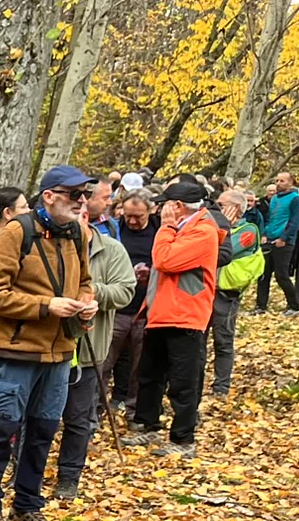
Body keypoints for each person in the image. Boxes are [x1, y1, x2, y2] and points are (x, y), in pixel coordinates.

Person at [0, 166, 96, 521]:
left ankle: (27, 506)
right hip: (16, 353)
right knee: (2, 430)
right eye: (74, 195)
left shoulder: (78, 233)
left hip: (59, 354)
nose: (81, 202)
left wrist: (86, 303)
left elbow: (85, 282)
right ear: (49, 196)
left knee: (42, 432)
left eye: (84, 195)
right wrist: (46, 306)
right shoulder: (17, 232)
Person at [126, 175, 221, 456]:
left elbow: (166, 260)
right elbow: (168, 267)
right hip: (162, 312)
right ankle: (147, 425)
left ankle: (183, 439)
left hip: (185, 316)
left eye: (166, 205)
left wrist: (165, 228)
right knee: (150, 374)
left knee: (183, 380)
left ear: (178, 206)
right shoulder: (184, 229)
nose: (161, 210)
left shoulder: (203, 231)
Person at [53, 215, 138, 500]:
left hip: (89, 347)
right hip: (47, 346)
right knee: (38, 416)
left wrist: (94, 294)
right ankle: (25, 471)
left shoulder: (111, 249)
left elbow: (126, 289)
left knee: (78, 418)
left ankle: (69, 478)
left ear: (85, 217)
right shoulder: (49, 244)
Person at [208, 184, 262, 399]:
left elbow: (221, 250)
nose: (216, 208)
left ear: (236, 208)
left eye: (221, 205)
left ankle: (221, 386)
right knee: (197, 340)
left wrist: (225, 227)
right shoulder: (212, 226)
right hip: (206, 289)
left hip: (226, 293)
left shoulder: (248, 230)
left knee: (223, 340)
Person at [108, 190, 156, 408]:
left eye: (139, 216)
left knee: (141, 363)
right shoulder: (114, 229)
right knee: (104, 361)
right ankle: (96, 408)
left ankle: (133, 407)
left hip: (145, 309)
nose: (133, 221)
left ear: (150, 211)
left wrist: (152, 272)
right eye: (129, 216)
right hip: (115, 308)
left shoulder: (159, 230)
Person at [257, 171, 299, 312]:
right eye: (277, 180)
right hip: (269, 239)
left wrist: (284, 238)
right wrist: (265, 233)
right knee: (263, 274)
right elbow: (270, 218)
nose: (278, 183)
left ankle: (294, 306)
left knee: (281, 275)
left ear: (290, 182)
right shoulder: (275, 198)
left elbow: (295, 221)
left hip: (284, 242)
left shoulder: (295, 199)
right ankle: (260, 306)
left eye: (282, 181)